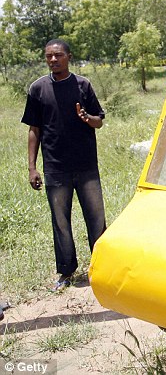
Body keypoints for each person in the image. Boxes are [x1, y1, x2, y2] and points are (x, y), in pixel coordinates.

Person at [21, 39, 107, 291]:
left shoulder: (83, 85)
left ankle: (100, 269)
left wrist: (87, 118)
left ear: (69, 56)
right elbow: (34, 129)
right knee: (60, 221)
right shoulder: (38, 89)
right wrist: (32, 167)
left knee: (96, 218)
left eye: (58, 55)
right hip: (55, 166)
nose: (53, 60)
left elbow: (98, 122)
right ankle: (67, 272)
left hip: (86, 166)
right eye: (48, 56)